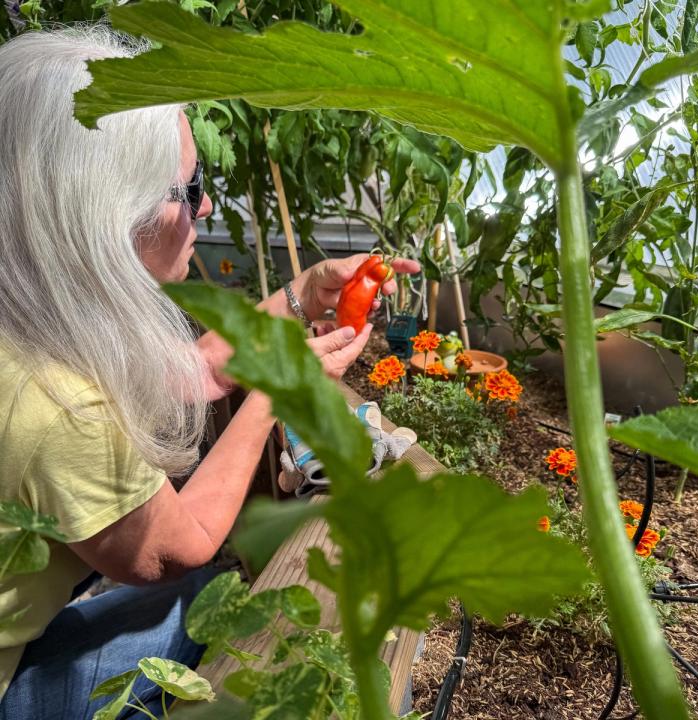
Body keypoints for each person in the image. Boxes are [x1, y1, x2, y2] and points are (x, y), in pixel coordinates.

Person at [0, 26, 419, 719]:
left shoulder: (31, 321)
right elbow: (176, 546)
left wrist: (299, 294)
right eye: (187, 187)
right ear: (100, 206)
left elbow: (187, 374)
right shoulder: (56, 406)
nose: (205, 207)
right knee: (241, 615)